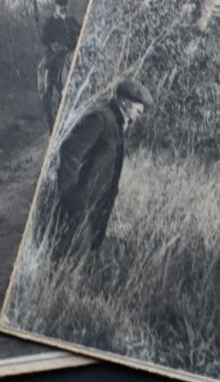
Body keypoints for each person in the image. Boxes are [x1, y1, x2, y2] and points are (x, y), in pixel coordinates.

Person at [50, 78, 154, 260]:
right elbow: (69, 153)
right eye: (139, 107)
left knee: (81, 259)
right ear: (124, 101)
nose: (141, 112)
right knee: (69, 259)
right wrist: (71, 197)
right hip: (79, 208)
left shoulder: (116, 123)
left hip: (93, 208)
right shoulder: (101, 118)